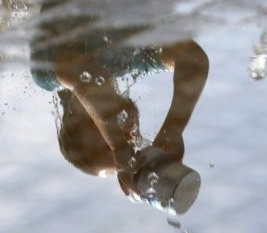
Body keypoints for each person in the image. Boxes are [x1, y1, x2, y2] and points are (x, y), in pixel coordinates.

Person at [31, 26, 209, 215]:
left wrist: (117, 145)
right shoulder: (135, 59)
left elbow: (87, 77)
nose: (128, 143)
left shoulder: (47, 75)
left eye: (105, 148)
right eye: (131, 148)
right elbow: (193, 59)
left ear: (74, 122)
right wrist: (173, 129)